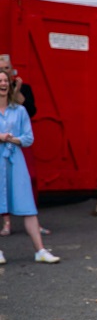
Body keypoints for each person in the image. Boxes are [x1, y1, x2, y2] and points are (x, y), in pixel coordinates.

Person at [0, 69, 59, 264]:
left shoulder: (20, 110)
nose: (3, 84)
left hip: (16, 160)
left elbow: (28, 138)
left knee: (28, 206)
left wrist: (13, 139)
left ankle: (40, 250)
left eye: (5, 81)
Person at [0, 54, 49, 237]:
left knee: (31, 177)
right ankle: (7, 222)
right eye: (1, 68)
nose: (4, 71)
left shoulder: (24, 88)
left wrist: (17, 90)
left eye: (6, 67)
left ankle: (33, 216)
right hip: (2, 142)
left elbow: (31, 110)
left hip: (19, 140)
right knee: (2, 180)